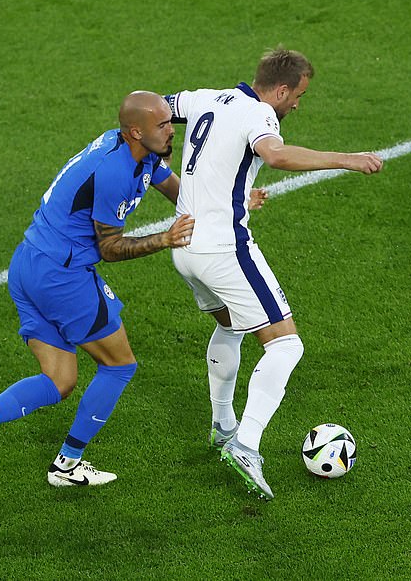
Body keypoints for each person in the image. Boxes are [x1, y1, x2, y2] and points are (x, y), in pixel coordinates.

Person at [0, 91, 196, 486]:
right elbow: (110, 249)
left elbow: (167, 182)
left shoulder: (134, 148)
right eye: (163, 125)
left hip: (28, 264)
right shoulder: (114, 171)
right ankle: (67, 464)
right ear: (136, 131)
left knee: (59, 380)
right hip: (62, 277)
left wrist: (228, 203)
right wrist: (164, 240)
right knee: (119, 365)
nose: (172, 130)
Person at [164, 47, 383, 499]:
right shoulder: (260, 115)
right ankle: (246, 444)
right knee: (286, 345)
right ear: (280, 90)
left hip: (184, 246)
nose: (297, 104)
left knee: (230, 326)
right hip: (225, 249)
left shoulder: (206, 97)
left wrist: (234, 195)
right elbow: (276, 155)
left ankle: (223, 424)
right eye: (298, 95)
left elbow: (153, 106)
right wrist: (347, 158)